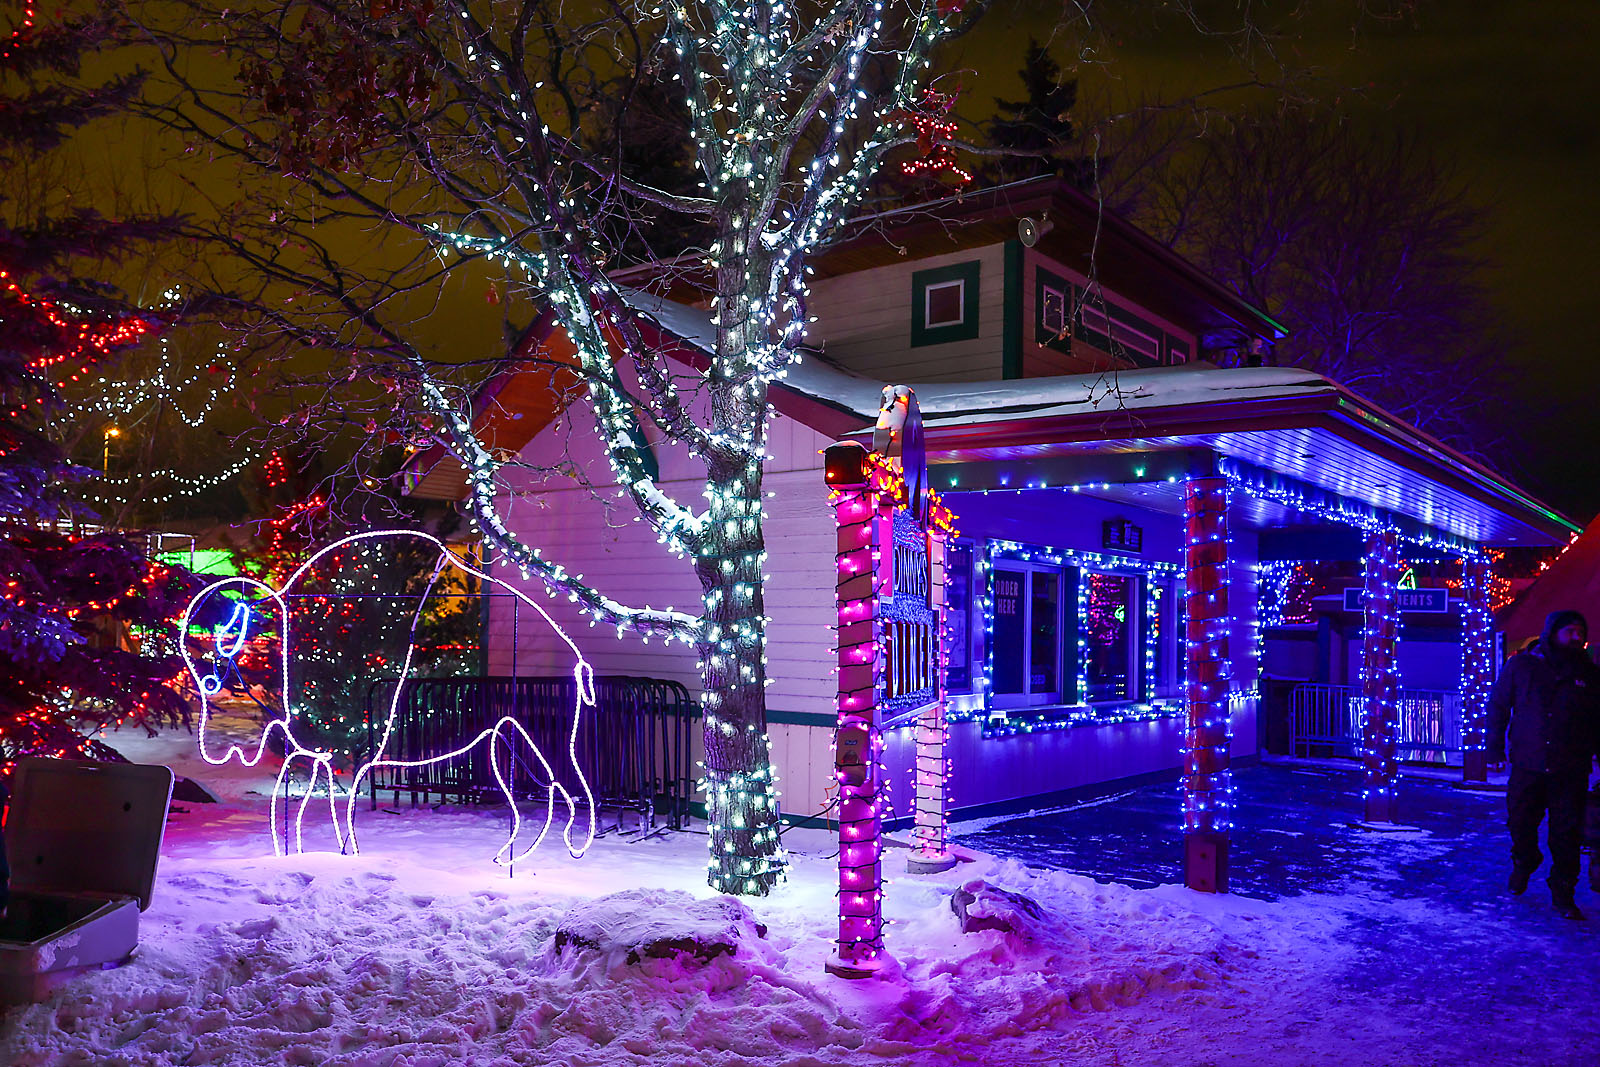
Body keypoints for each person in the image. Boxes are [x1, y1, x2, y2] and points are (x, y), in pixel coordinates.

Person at [1487, 609, 1600, 920]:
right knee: (1520, 822)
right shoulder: (1522, 666)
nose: (1577, 637)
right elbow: (1499, 705)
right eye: (1570, 631)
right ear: (1553, 632)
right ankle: (1525, 860)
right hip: (1528, 762)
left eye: (1581, 631)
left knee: (1567, 834)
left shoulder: (1590, 675)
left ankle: (1563, 892)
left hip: (1570, 768)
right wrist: (1493, 747)